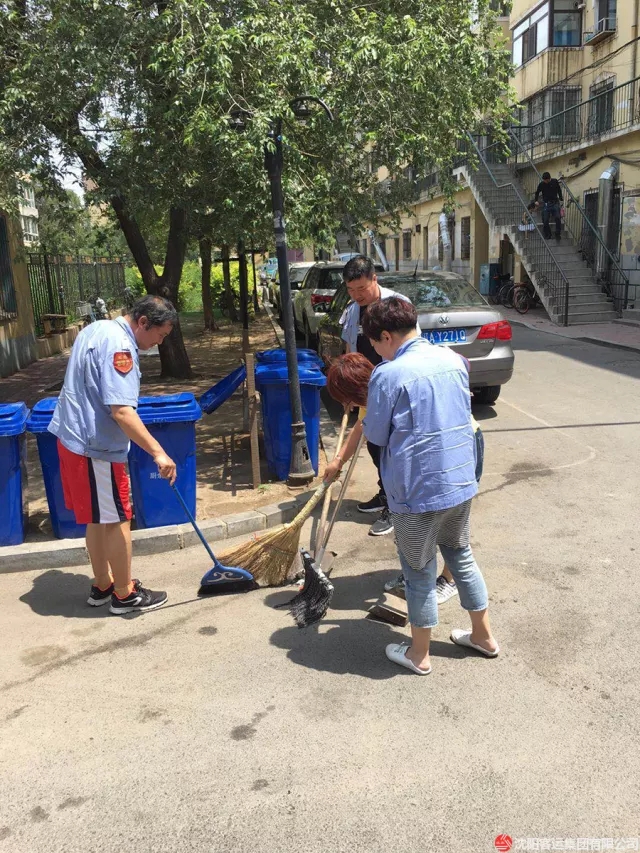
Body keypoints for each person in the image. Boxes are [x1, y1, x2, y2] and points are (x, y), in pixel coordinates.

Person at [361, 297, 499, 675]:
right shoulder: (453, 360)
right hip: (459, 480)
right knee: (460, 554)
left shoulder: (389, 374)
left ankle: (419, 654)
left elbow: (376, 435)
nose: (376, 351)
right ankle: (483, 636)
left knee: (418, 570)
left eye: (374, 344)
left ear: (386, 336)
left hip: (416, 490)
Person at [48, 295, 179, 615]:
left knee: (98, 517)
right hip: (97, 449)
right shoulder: (121, 349)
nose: (159, 343)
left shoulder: (97, 328)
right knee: (119, 518)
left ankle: (104, 583)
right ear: (143, 322)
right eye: (160, 335)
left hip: (73, 439)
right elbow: (121, 411)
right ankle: (124, 594)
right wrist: (159, 452)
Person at [326, 350, 484, 608]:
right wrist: (338, 461)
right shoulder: (374, 390)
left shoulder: (390, 389)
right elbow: (361, 426)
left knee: (448, 526)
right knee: (421, 525)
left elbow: (379, 433)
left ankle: (447, 579)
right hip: (433, 452)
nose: (349, 407)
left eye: (348, 400)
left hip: (458, 445)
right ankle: (419, 573)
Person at [327, 255, 416, 537]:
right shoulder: (352, 310)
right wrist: (348, 384)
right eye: (350, 290)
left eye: (361, 289)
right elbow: (349, 346)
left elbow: (410, 349)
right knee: (375, 446)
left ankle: (395, 505)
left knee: (390, 449)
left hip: (392, 388)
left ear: (374, 279)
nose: (356, 295)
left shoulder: (396, 306)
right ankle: (385, 492)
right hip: (367, 387)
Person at [534, 171, 563, 241]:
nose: (545, 181)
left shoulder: (555, 181)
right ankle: (548, 234)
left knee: (557, 217)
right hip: (547, 204)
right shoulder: (542, 184)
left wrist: (561, 199)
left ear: (549, 179)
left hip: (555, 203)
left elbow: (559, 190)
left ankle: (557, 233)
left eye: (546, 180)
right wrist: (536, 200)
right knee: (545, 220)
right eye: (544, 180)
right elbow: (537, 192)